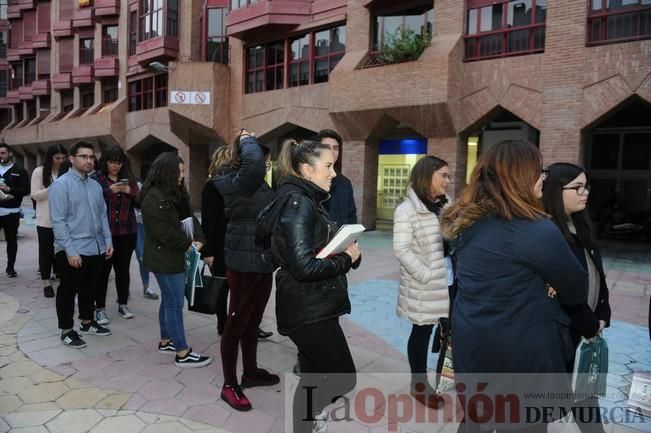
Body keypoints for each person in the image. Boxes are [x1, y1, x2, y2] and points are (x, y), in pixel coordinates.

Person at [439, 140, 588, 433]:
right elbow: (576, 289)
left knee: (476, 419)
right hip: (522, 354)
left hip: (474, 342)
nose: (543, 177)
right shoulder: (535, 229)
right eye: (538, 170)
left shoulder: (467, 222)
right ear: (521, 176)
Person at [258, 138, 361, 433]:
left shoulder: (305, 199)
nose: (333, 173)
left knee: (312, 378)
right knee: (344, 378)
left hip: (313, 304)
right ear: (306, 169)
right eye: (328, 166)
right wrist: (345, 260)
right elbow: (304, 267)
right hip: (308, 309)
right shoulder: (299, 203)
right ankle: (310, 415)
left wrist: (347, 254)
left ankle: (305, 423)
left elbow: (310, 252)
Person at [542, 162, 611, 433]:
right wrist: (589, 323)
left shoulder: (580, 227)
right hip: (558, 335)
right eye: (577, 187)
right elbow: (560, 291)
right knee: (540, 408)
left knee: (584, 398)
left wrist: (603, 314)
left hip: (584, 332)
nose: (585, 193)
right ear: (555, 191)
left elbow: (598, 277)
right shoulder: (547, 234)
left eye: (586, 187)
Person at [213, 129, 278, 411]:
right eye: (264, 161)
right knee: (235, 324)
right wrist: (245, 138)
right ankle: (229, 385)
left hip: (262, 261)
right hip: (243, 264)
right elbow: (253, 166)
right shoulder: (235, 181)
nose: (266, 166)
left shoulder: (255, 183)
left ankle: (250, 373)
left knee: (253, 321)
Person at [140, 152, 211, 368]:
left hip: (178, 255)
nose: (182, 175)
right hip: (165, 258)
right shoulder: (152, 197)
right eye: (179, 171)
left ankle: (166, 341)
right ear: (167, 172)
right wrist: (189, 245)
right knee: (174, 303)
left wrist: (200, 239)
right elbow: (164, 232)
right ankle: (182, 352)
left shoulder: (177, 193)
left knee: (169, 300)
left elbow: (190, 219)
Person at [393, 155, 451, 408]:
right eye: (444, 176)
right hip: (425, 283)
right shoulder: (407, 210)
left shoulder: (448, 204)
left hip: (451, 280)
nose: (448, 181)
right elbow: (402, 249)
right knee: (422, 332)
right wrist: (425, 275)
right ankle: (419, 385)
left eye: (449, 176)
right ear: (428, 176)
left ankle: (445, 380)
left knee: (449, 332)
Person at [201, 146, 273, 339]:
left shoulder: (239, 184)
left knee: (242, 292)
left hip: (238, 243)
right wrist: (208, 252)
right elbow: (208, 221)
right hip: (219, 246)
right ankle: (223, 327)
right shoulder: (212, 186)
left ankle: (247, 326)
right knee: (222, 290)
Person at [49, 141, 113, 349]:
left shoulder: (95, 186)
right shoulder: (61, 185)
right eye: (83, 157)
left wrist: (108, 241)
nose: (88, 161)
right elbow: (58, 221)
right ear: (72, 159)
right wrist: (70, 251)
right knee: (68, 290)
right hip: (71, 249)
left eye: (91, 157)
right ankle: (67, 330)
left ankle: (87, 322)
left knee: (90, 287)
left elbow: (103, 215)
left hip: (95, 247)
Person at [92, 146, 139, 322]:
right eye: (112, 162)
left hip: (127, 232)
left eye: (119, 162)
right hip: (105, 233)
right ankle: (100, 308)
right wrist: (109, 191)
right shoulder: (97, 179)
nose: (115, 166)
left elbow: (142, 201)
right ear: (105, 162)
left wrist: (129, 192)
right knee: (103, 272)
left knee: (123, 270)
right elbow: (91, 202)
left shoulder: (129, 180)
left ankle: (123, 304)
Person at [31, 144, 67, 297]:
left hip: (64, 220)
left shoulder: (67, 172)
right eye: (57, 158)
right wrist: (53, 188)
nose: (60, 161)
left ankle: (60, 275)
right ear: (50, 158)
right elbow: (35, 195)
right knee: (46, 252)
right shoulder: (39, 172)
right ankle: (46, 282)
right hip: (45, 220)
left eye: (63, 158)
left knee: (62, 251)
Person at [313, 129, 357, 225]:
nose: (332, 152)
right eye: (327, 147)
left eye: (335, 148)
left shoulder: (345, 183)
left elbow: (351, 216)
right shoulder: (309, 180)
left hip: (341, 238)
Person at [0, 143, 30, 278]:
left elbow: (26, 190)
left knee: (11, 241)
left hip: (12, 212)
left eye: (3, 153)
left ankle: (10, 267)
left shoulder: (20, 170)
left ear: (10, 154)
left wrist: (9, 190)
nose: (0, 156)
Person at [134, 177, 158, 300]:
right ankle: (122, 289)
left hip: (141, 224)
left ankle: (146, 286)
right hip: (126, 226)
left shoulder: (139, 184)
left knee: (142, 257)